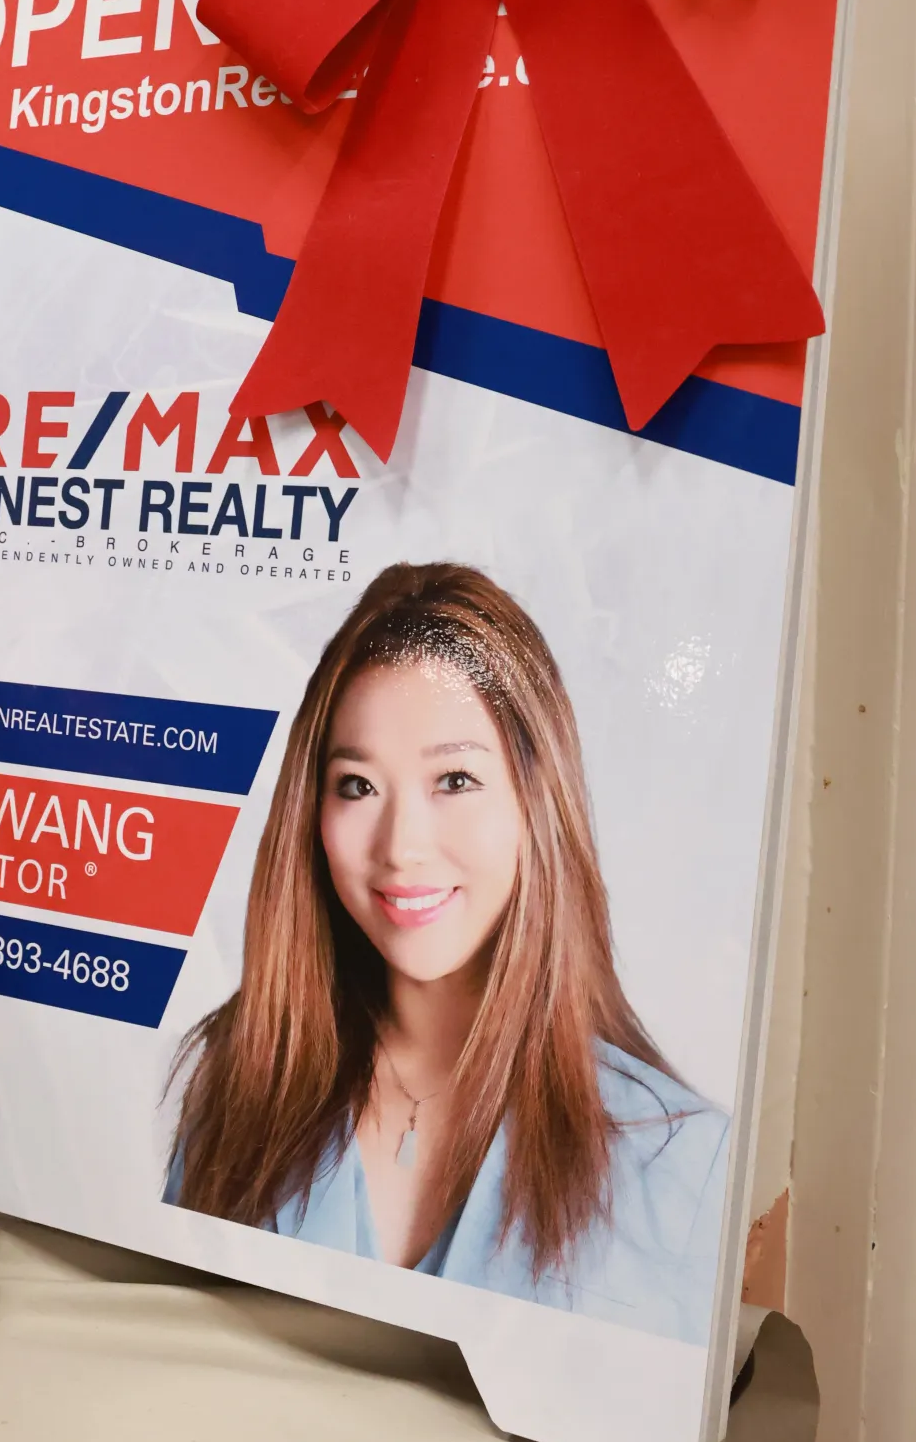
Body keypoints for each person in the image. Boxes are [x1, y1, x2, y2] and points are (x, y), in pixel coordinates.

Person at [169, 562, 728, 1344]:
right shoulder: (243, 1081)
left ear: (537, 799)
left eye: (455, 779)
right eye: (357, 785)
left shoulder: (682, 1162)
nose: (402, 846)